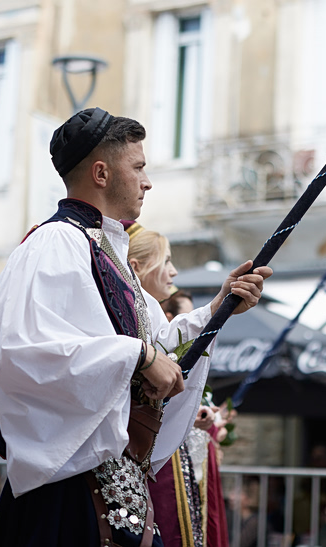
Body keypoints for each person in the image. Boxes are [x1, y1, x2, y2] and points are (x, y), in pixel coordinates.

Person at [0, 108, 271, 547]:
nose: (147, 182)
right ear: (102, 172)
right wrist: (140, 356)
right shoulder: (56, 243)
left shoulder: (107, 251)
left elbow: (158, 345)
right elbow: (25, 352)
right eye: (139, 167)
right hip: (68, 495)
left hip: (117, 493)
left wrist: (213, 313)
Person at [130, 223, 228, 547]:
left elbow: (170, 349)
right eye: (166, 260)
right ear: (136, 267)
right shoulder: (128, 306)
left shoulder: (150, 310)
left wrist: (218, 309)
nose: (173, 272)